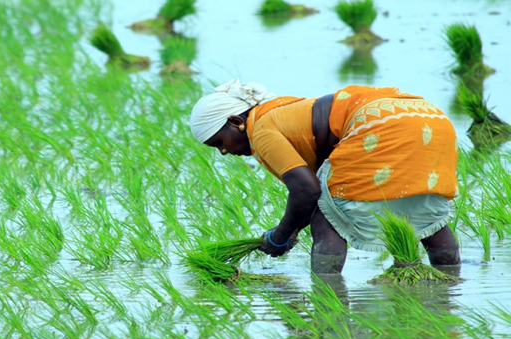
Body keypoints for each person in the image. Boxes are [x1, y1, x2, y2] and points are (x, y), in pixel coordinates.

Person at [188, 78, 461, 273]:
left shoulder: (261, 128)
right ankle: (451, 280)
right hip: (428, 119)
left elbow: (308, 191)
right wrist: (289, 230)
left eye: (219, 142)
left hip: (379, 124)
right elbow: (316, 189)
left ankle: (328, 293)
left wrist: (280, 236)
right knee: (422, 207)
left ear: (236, 122)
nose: (224, 151)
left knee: (325, 218)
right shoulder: (285, 110)